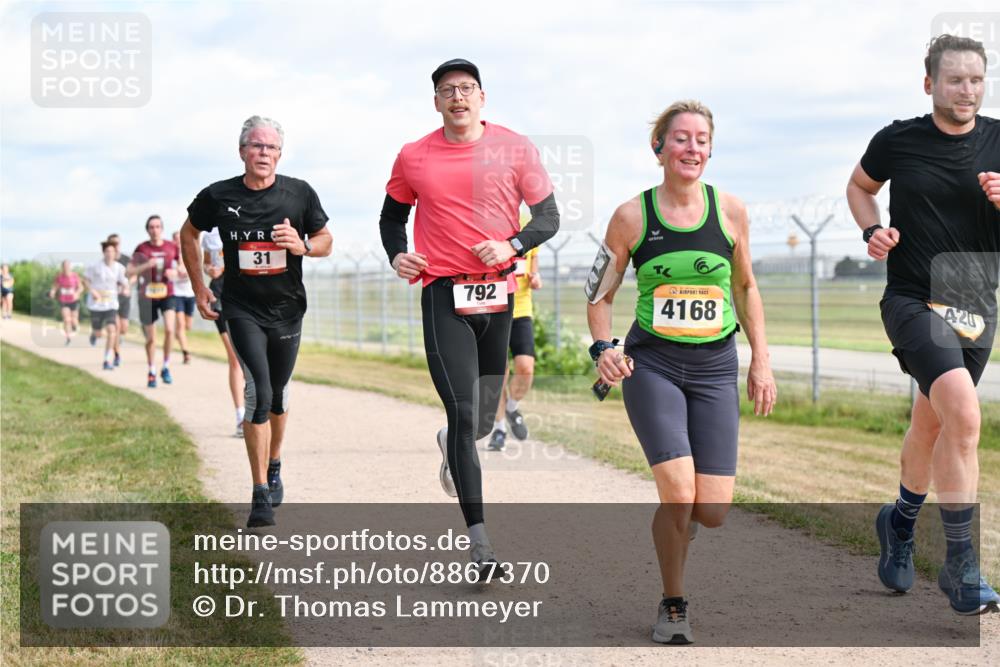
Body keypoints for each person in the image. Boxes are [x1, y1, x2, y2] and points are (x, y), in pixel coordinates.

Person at [586, 100, 776, 644]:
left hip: (716, 367)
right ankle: (674, 604)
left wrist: (759, 360)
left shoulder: (731, 211)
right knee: (677, 493)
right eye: (680, 139)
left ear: (711, 150)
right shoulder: (631, 216)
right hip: (654, 366)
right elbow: (599, 294)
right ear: (659, 149)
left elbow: (744, 288)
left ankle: (682, 523)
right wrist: (603, 346)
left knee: (710, 510)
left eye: (701, 140)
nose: (691, 148)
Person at [380, 59, 559, 577]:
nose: (457, 97)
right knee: (463, 415)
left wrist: (511, 242)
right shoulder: (414, 155)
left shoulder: (515, 146)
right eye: (446, 91)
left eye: (466, 88)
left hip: (498, 296)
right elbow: (393, 217)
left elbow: (548, 217)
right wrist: (397, 255)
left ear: (482, 97)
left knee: (481, 418)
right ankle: (480, 545)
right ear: (436, 102)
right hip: (442, 294)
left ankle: (452, 443)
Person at [846, 34, 1000, 615]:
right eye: (955, 79)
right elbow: (860, 188)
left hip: (976, 305)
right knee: (962, 411)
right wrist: (871, 231)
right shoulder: (898, 139)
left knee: (932, 425)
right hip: (913, 297)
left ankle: (900, 523)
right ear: (929, 82)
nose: (967, 90)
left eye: (976, 80)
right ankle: (961, 566)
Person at [180, 115, 332, 528]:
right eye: (256, 146)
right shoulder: (218, 195)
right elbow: (188, 234)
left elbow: (325, 241)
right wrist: (199, 288)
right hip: (240, 307)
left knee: (279, 394)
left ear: (280, 154)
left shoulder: (299, 194)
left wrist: (301, 245)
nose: (263, 153)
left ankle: (276, 460)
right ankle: (259, 491)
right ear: (242, 150)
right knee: (258, 392)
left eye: (270, 147)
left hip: (286, 308)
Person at [488, 213, 542, 451]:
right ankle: (499, 429)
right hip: (495, 307)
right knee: (499, 371)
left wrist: (535, 278)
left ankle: (511, 407)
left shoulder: (529, 222)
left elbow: (533, 264)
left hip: (521, 307)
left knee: (526, 367)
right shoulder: (489, 222)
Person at [202, 225, 247, 437]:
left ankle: (257, 409)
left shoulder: (243, 224)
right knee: (235, 358)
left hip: (245, 294)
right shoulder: (209, 235)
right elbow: (206, 263)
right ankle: (240, 417)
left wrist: (227, 267)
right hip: (220, 295)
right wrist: (210, 269)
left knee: (252, 357)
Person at [128, 215, 179, 388]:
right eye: (151, 227)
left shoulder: (171, 247)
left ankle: (165, 366)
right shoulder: (142, 248)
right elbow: (129, 272)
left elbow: (183, 266)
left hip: (167, 293)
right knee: (151, 338)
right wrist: (146, 265)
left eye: (157, 226)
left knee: (171, 330)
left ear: (162, 229)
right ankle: (151, 370)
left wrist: (176, 273)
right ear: (147, 230)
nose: (155, 230)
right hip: (147, 296)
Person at [83, 241, 130, 370]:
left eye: (112, 251)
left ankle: (107, 360)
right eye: (107, 251)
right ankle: (94, 333)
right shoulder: (94, 266)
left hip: (111, 304)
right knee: (99, 333)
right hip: (96, 304)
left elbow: (124, 282)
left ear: (115, 253)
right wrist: (92, 291)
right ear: (103, 252)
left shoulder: (119, 267)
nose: (110, 254)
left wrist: (126, 289)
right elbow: (85, 280)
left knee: (112, 330)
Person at [107, 234, 134, 367]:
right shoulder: (106, 262)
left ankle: (119, 340)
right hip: (111, 299)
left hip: (124, 298)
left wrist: (128, 286)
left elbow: (134, 275)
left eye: (117, 243)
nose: (115, 246)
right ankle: (117, 355)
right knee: (116, 327)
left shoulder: (126, 259)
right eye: (112, 243)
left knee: (123, 328)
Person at [171, 230, 196, 364]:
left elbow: (194, 271)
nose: (178, 242)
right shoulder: (171, 257)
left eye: (179, 239)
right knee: (180, 325)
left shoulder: (190, 254)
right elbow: (169, 273)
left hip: (189, 294)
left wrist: (185, 272)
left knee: (188, 326)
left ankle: (178, 334)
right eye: (175, 240)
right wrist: (176, 272)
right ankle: (186, 353)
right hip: (176, 294)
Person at [48, 260, 83, 345]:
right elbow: (55, 287)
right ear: (62, 267)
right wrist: (52, 292)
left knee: (74, 320)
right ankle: (68, 337)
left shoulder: (75, 276)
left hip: (74, 300)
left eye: (67, 266)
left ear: (70, 267)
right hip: (63, 300)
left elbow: (81, 287)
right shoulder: (59, 277)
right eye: (64, 266)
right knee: (67, 319)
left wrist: (77, 293)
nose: (66, 268)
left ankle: (74, 327)